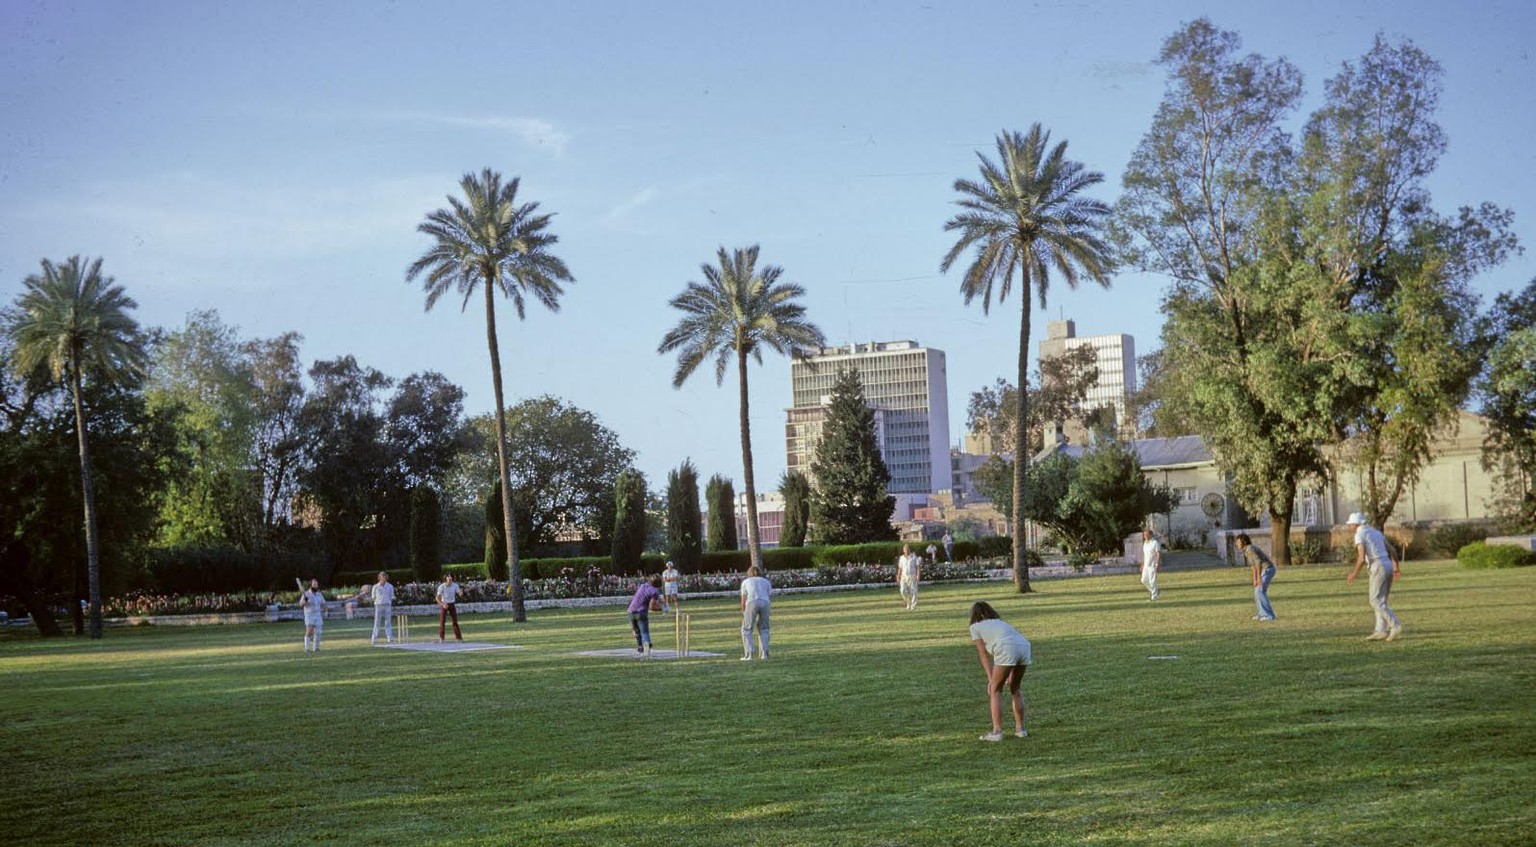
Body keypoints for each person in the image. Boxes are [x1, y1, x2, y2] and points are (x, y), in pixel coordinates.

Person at [968, 601, 1032, 742]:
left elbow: (983, 654)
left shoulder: (975, 627)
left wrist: (991, 680)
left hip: (1006, 647)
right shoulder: (1000, 622)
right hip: (1024, 646)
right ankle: (1020, 729)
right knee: (1015, 688)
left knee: (995, 690)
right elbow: (1011, 643)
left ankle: (997, 732)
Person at [1345, 512, 1403, 641]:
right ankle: (1380, 630)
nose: (1350, 527)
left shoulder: (1359, 534)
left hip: (1377, 566)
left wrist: (1353, 574)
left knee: (1375, 600)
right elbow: (1392, 550)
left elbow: (1361, 558)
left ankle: (1395, 625)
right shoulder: (1376, 533)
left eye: (1351, 525)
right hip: (1387, 564)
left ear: (1356, 524)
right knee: (1381, 600)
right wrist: (1396, 567)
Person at [1234, 534, 1276, 621]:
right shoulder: (1246, 551)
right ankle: (1261, 614)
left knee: (1260, 591)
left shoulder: (1250, 549)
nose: (1236, 544)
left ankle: (1269, 616)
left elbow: (1259, 563)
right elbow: (1254, 566)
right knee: (1257, 591)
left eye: (1238, 542)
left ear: (1244, 542)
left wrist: (1259, 578)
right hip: (1263, 570)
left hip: (1268, 569)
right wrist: (1254, 579)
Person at [740, 565, 772, 660]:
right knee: (764, 629)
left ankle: (749, 654)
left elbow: (743, 599)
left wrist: (744, 612)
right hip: (765, 602)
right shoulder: (766, 582)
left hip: (752, 601)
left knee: (746, 629)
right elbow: (768, 595)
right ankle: (764, 654)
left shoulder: (746, 582)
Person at [627, 575, 664, 657]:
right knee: (644, 633)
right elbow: (651, 607)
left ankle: (640, 649)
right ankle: (646, 647)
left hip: (630, 612)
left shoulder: (643, 585)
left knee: (637, 632)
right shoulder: (655, 592)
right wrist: (662, 609)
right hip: (641, 613)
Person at [368, 571, 396, 644]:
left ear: (386, 577)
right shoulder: (375, 587)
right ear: (379, 578)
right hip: (378, 605)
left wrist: (392, 599)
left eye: (385, 577)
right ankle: (374, 638)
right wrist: (375, 600)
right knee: (377, 622)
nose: (384, 578)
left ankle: (390, 638)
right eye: (382, 577)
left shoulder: (390, 586)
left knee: (388, 622)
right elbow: (373, 597)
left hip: (387, 605)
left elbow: (392, 596)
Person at [435, 573, 464, 642]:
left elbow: (459, 594)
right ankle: (441, 638)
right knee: (442, 621)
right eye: (449, 578)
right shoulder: (442, 587)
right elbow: (437, 598)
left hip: (452, 604)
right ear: (446, 579)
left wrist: (461, 593)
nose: (450, 580)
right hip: (444, 604)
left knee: (455, 621)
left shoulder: (455, 585)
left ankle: (458, 638)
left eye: (451, 578)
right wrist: (442, 604)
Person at [300, 578, 326, 653]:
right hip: (309, 615)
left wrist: (325, 608)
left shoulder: (319, 594)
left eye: (317, 584)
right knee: (309, 631)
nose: (316, 586)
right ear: (310, 585)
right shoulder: (306, 594)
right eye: (314, 584)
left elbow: (323, 603)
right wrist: (305, 601)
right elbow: (301, 604)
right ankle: (306, 648)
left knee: (319, 632)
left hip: (318, 615)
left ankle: (316, 648)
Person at [897, 544, 921, 610]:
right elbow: (900, 568)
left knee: (914, 591)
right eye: (905, 550)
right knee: (902, 590)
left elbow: (918, 567)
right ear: (903, 550)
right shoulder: (901, 558)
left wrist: (918, 575)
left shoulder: (914, 557)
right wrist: (898, 577)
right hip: (904, 577)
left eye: (907, 549)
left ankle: (913, 606)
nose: (906, 551)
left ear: (909, 550)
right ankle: (908, 603)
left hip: (912, 576)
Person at [1140, 529, 1162, 601]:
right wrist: (1142, 564)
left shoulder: (1155, 543)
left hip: (1152, 565)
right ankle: (1155, 591)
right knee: (1143, 580)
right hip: (1146, 565)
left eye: (1146, 535)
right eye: (1144, 535)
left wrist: (1157, 563)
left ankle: (1154, 597)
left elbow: (1158, 553)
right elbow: (1144, 555)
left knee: (1152, 581)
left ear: (1150, 535)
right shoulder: (1145, 543)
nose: (1144, 536)